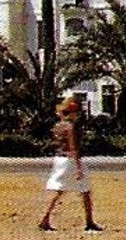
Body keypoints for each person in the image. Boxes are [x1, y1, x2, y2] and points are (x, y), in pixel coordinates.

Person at [40, 95, 100, 231]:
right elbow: (73, 147)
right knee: (83, 190)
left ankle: (45, 218)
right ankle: (89, 222)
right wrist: (78, 167)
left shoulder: (58, 126)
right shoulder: (70, 127)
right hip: (70, 161)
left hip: (59, 159)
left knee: (59, 190)